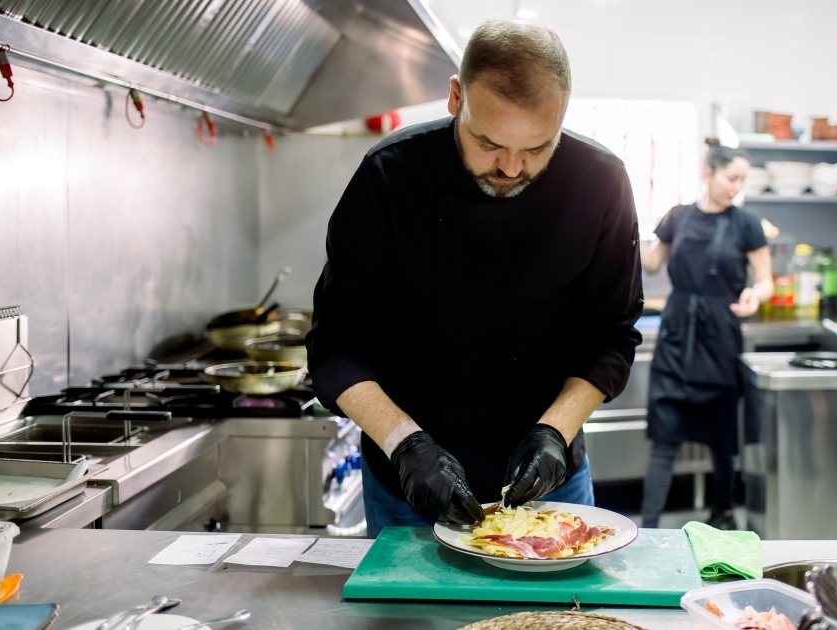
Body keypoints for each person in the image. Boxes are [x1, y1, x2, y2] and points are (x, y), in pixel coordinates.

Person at [306, 19, 643, 537]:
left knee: (557, 621)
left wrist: (555, 433)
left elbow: (611, 336)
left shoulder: (601, 184)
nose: (511, 168)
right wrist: (406, 446)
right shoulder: (390, 175)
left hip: (550, 481)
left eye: (536, 148)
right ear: (455, 98)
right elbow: (336, 345)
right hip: (408, 480)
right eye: (488, 143)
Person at [638, 140, 773, 531]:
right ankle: (647, 527)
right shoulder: (677, 217)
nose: (737, 187)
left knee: (721, 438)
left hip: (721, 336)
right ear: (708, 174)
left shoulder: (746, 223)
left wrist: (754, 294)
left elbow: (765, 280)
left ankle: (723, 513)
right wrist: (621, 222)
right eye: (732, 178)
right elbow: (650, 263)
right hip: (678, 333)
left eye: (742, 180)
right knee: (665, 440)